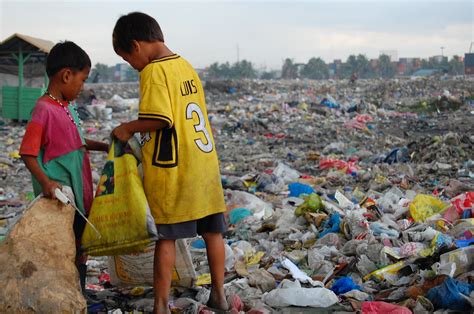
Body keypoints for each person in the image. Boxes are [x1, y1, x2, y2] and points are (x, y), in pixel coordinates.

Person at [111, 12, 229, 313]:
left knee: (167, 237)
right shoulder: (186, 66)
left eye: (127, 59)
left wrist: (127, 128)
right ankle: (219, 294)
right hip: (203, 163)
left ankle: (161, 306)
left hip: (174, 167)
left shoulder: (153, 72)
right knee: (212, 231)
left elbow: (159, 119)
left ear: (136, 46)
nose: (131, 65)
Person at [19, 41, 108, 293]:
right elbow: (28, 152)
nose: (83, 87)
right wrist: (46, 183)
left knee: (81, 251)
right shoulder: (43, 110)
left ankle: (77, 299)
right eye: (82, 79)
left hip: (80, 195)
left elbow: (78, 141)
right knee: (64, 252)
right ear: (66, 75)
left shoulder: (68, 107)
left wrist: (105, 146)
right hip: (62, 200)